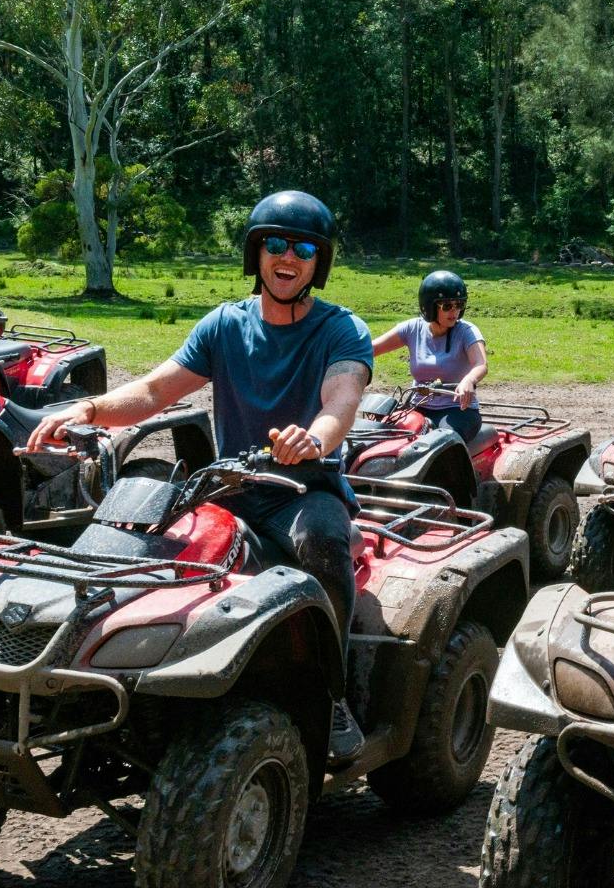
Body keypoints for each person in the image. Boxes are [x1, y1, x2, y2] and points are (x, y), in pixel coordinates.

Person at [26, 189, 373, 760]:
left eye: (304, 249)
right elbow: (155, 390)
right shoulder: (224, 325)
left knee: (322, 543)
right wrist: (86, 410)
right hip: (229, 486)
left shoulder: (342, 330)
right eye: (277, 244)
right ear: (256, 252)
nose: (289, 258)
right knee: (131, 533)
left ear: (320, 263)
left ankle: (333, 698)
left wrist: (313, 439)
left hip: (301, 490)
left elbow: (342, 399)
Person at [371, 270, 488, 443]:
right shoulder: (412, 328)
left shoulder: (466, 331)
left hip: (457, 410)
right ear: (429, 307)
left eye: (459, 305)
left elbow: (480, 364)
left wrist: (469, 380)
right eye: (447, 306)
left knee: (440, 443)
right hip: (417, 407)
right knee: (378, 435)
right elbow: (371, 349)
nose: (454, 311)